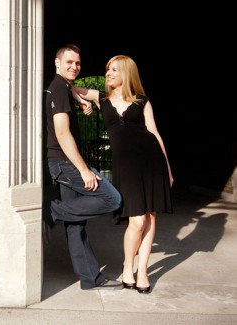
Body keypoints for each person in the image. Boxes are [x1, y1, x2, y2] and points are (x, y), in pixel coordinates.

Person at [74, 54, 174, 294]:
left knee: (150, 217)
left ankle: (143, 270)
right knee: (137, 220)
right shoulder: (101, 98)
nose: (108, 73)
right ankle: (128, 266)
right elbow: (67, 86)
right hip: (126, 166)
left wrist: (168, 168)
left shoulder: (142, 101)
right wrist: (81, 101)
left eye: (114, 70)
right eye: (108, 69)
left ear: (126, 73)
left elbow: (155, 133)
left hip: (151, 161)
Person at [44, 44, 123, 290]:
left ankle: (90, 278)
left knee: (76, 223)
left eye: (77, 63)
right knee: (112, 198)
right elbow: (62, 132)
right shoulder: (58, 88)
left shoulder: (64, 88)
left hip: (63, 163)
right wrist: (83, 170)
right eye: (68, 62)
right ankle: (52, 211)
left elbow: (70, 90)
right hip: (65, 164)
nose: (74, 66)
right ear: (57, 63)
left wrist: (77, 97)